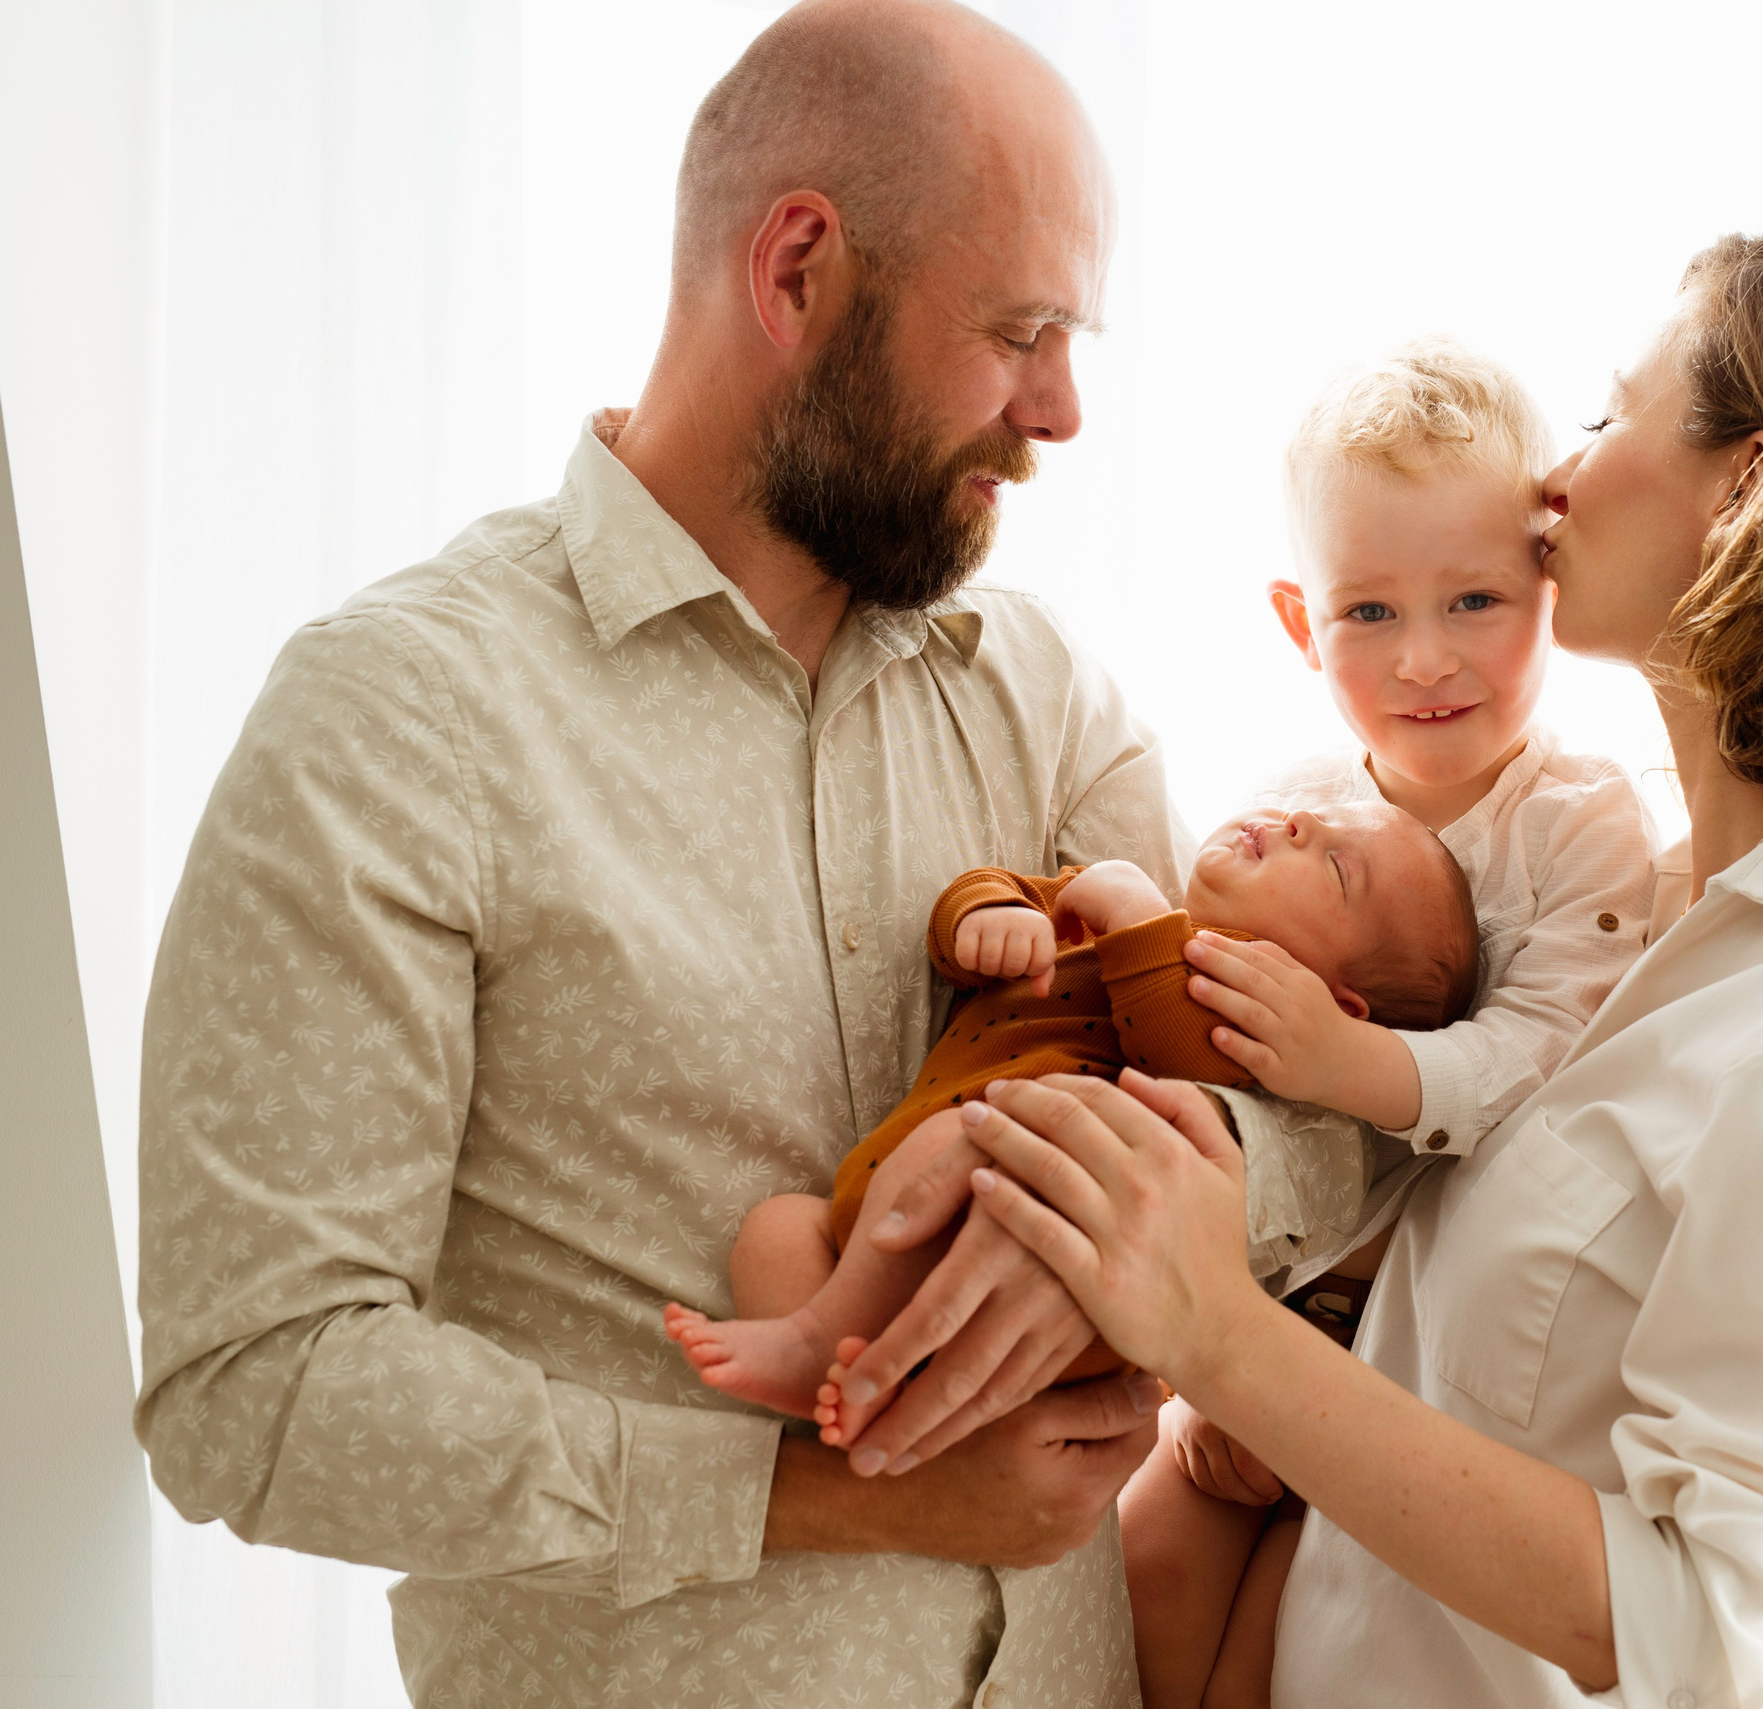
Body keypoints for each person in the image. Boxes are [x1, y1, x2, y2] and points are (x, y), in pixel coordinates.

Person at [129, 4, 1364, 1705]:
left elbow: (1314, 1106)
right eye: (1021, 330)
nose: (1064, 408)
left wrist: (1162, 1190)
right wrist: (825, 1492)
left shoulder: (1045, 695)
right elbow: (251, 1387)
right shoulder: (400, 718)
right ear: (796, 271)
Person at [897, 234, 1763, 1708]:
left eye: (1614, 416)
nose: (1556, 478)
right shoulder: (1643, 926)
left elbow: (1702, 1627)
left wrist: (1218, 1334)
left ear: (1747, 491)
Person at [1115, 339, 1657, 1709]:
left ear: (1550, 584)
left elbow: (1544, 1054)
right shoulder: (1295, 803)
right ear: (1301, 623)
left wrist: (1353, 1058)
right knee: (1147, 1570)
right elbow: (1198, 1026)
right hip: (1268, 1290)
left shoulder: (1579, 823)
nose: (1424, 658)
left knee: (1292, 1641)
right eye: (1368, 611)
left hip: (1419, 1353)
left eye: (1474, 598)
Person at [661, 806, 1476, 1418]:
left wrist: (1140, 919)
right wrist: (987, 915)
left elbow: (1180, 1053)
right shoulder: (1121, 912)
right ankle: (855, 1390)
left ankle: (819, 1342)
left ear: (1336, 1005)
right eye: (1308, 813)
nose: (1297, 823)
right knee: (774, 1231)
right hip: (890, 1214)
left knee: (970, 1135)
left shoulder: (1252, 1023)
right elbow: (1008, 893)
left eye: (1336, 866)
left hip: (1024, 1228)